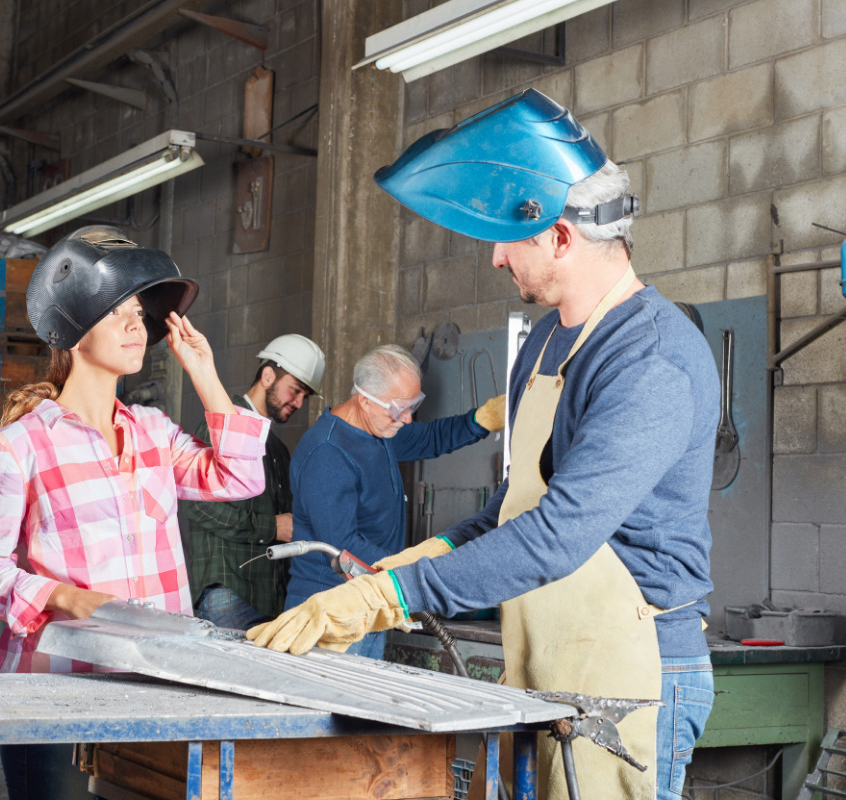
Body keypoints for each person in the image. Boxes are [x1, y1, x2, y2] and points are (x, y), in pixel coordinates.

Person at [249, 88, 717, 800]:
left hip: (637, 671)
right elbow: (510, 511)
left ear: (561, 236)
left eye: (509, 239)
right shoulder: (543, 343)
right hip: (545, 653)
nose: (496, 260)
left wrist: (391, 596)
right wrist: (415, 560)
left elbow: (557, 536)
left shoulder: (650, 360)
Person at [0, 226, 269, 800]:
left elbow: (240, 477)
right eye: (116, 311)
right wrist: (65, 599)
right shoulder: (23, 445)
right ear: (73, 330)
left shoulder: (152, 433)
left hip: (152, 683)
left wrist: (205, 374)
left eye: (139, 311)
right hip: (55, 696)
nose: (138, 325)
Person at [281, 344, 506, 659]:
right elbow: (343, 547)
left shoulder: (379, 430)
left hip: (370, 602)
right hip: (332, 617)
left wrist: (483, 419)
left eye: (413, 404)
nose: (408, 418)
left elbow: (430, 437)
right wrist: (415, 573)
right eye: (400, 407)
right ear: (364, 399)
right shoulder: (328, 454)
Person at [182, 333, 326, 630]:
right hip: (229, 594)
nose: (298, 402)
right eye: (295, 390)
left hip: (267, 601)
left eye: (304, 397)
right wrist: (273, 526)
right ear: (268, 375)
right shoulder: (223, 424)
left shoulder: (277, 449)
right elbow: (197, 506)